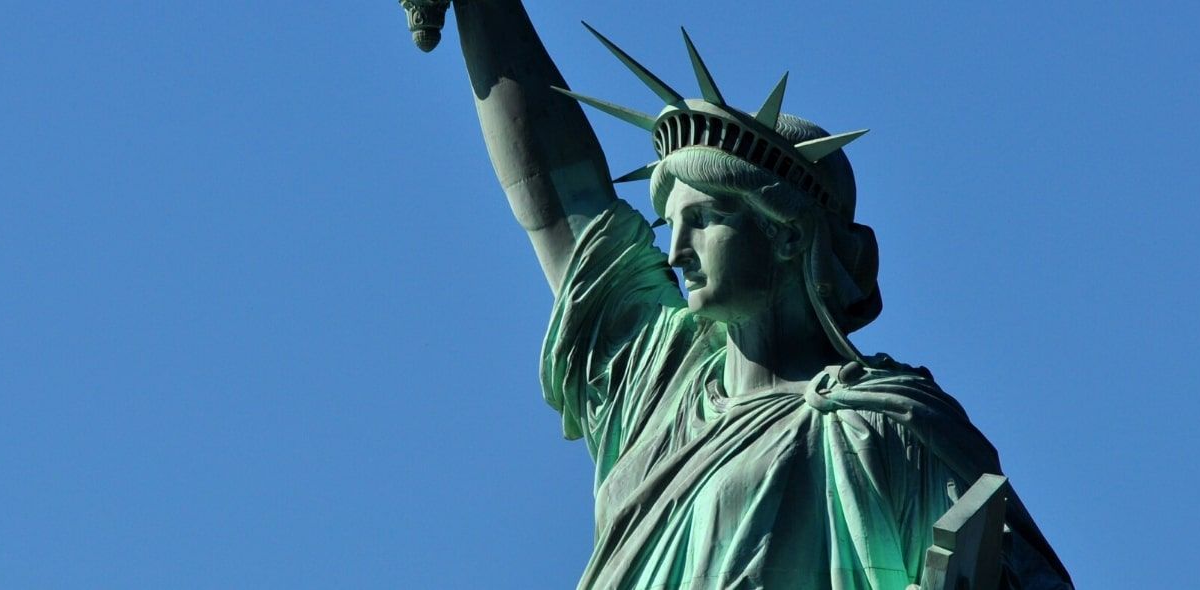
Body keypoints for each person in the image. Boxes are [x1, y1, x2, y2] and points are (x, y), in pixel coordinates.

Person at [403, 2, 1073, 588]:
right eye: (672, 223)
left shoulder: (889, 429)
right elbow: (563, 203)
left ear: (785, 234)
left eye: (707, 220)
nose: (675, 250)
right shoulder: (659, 387)